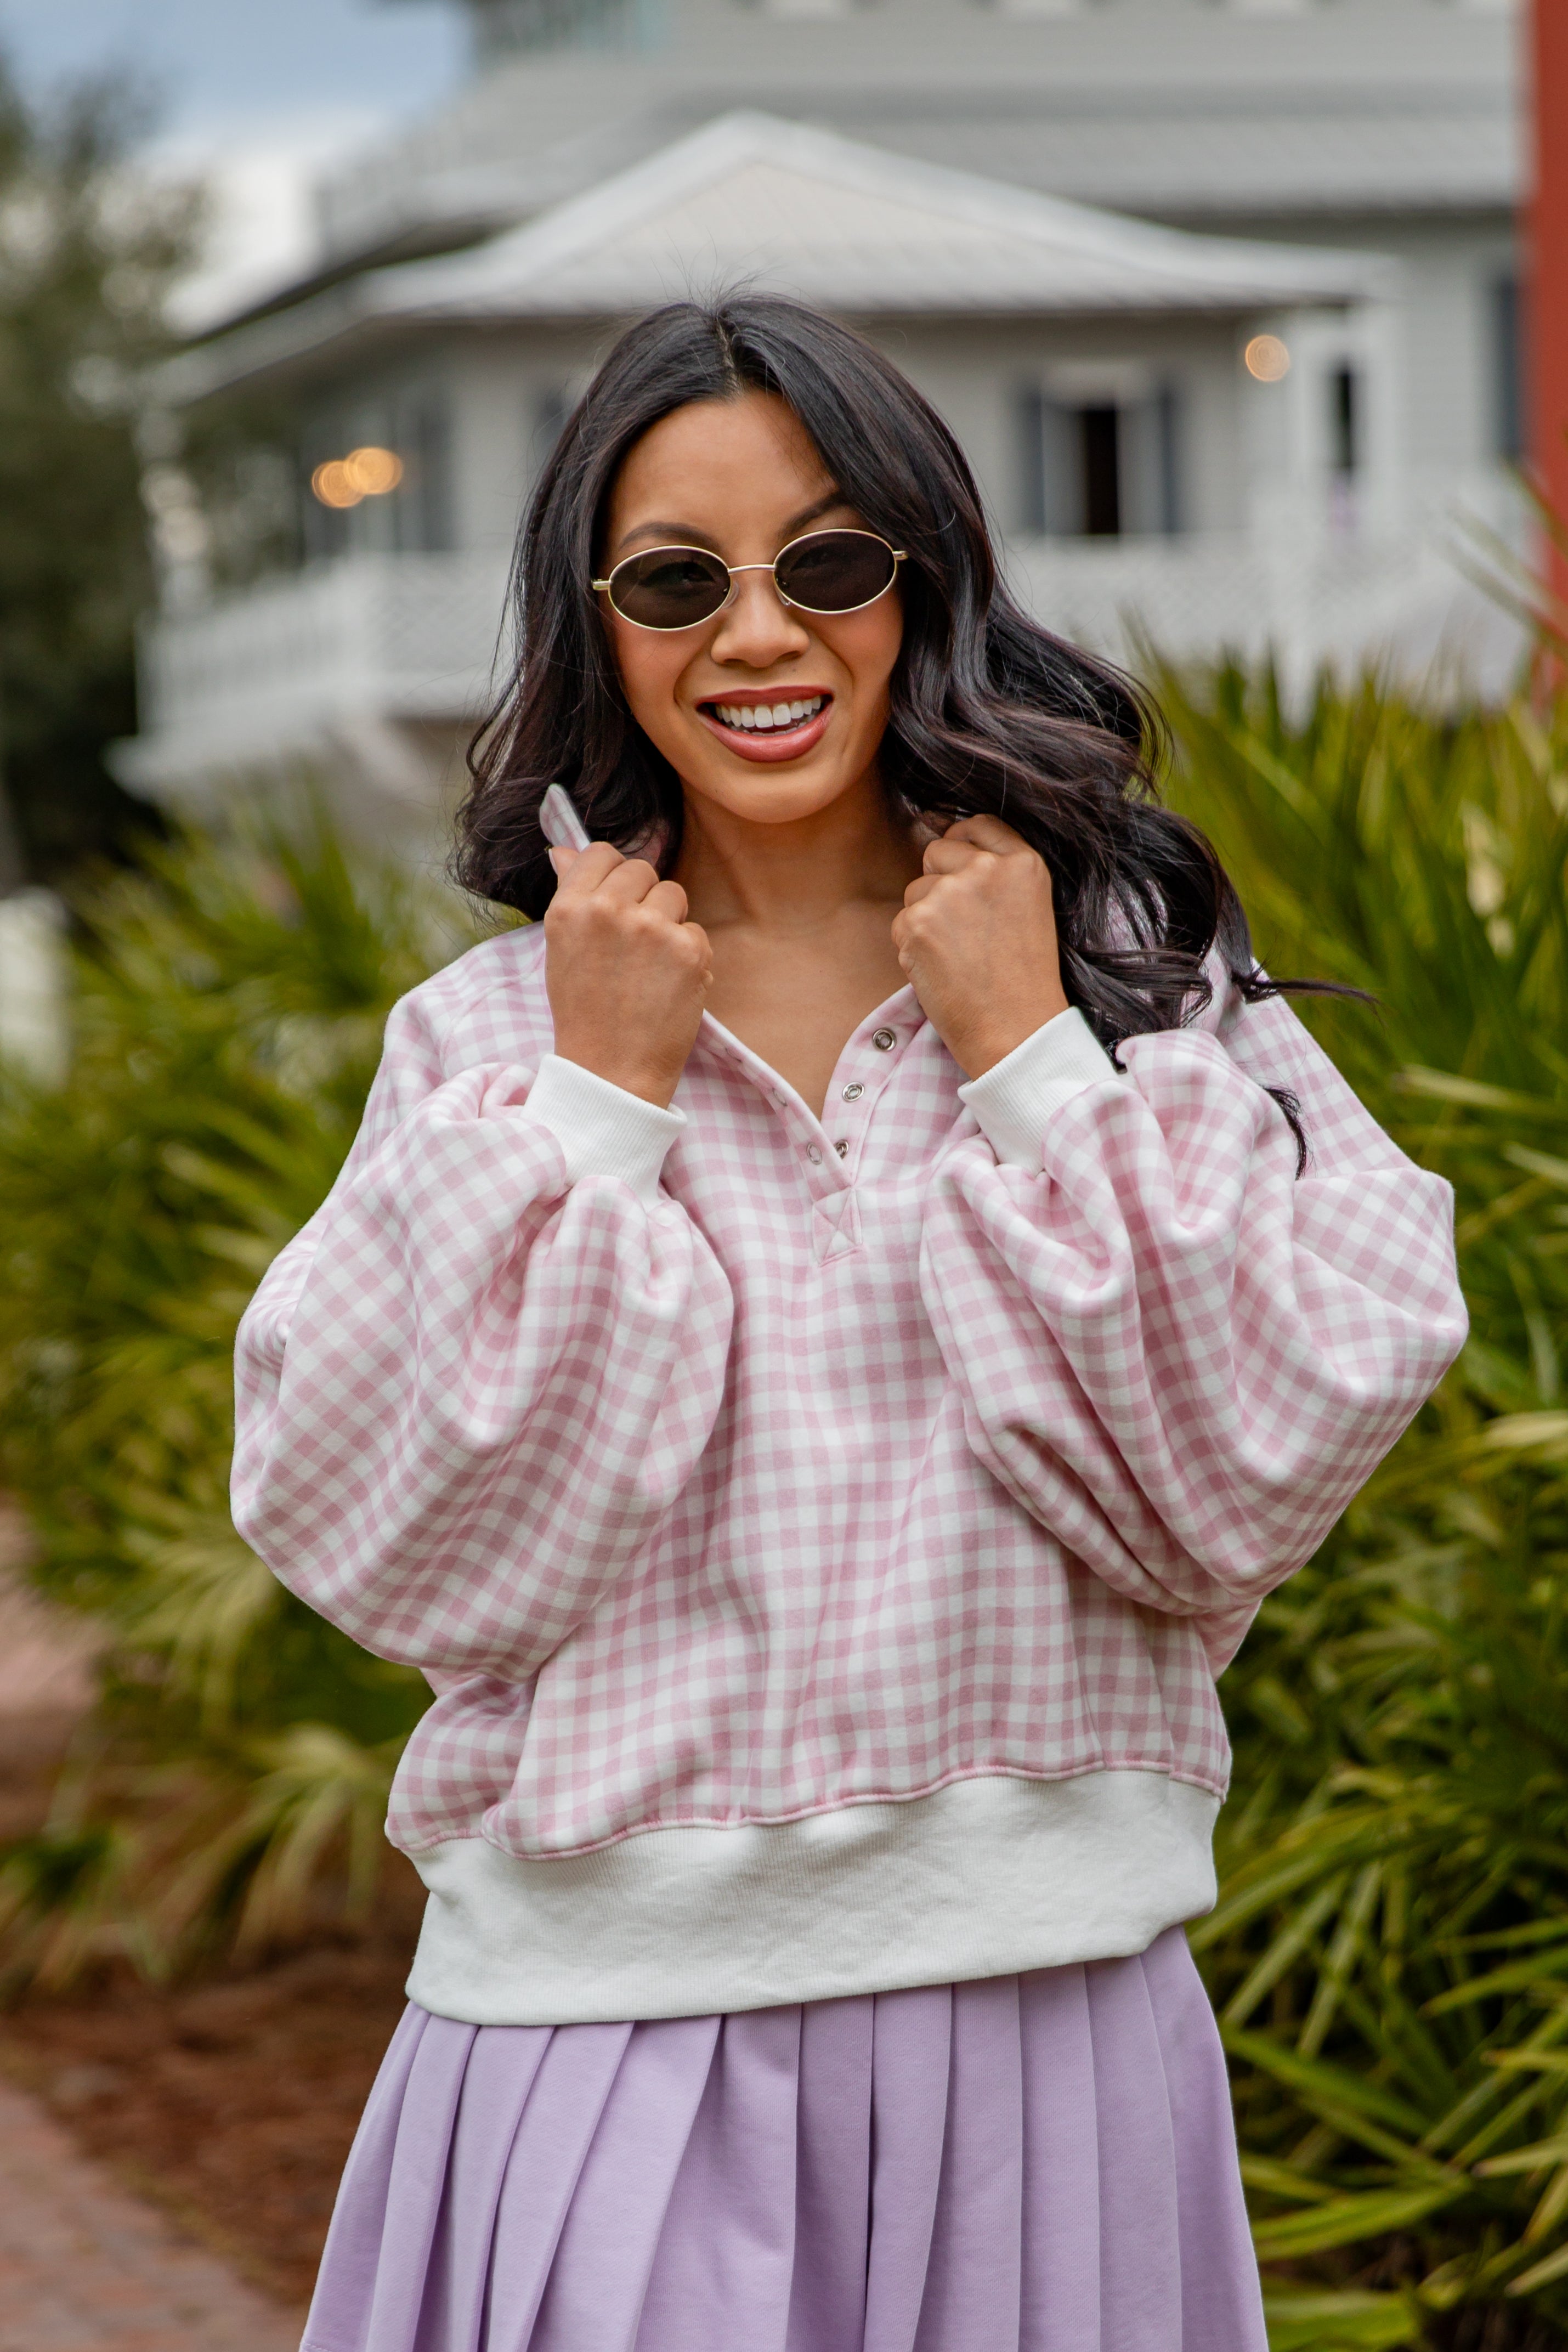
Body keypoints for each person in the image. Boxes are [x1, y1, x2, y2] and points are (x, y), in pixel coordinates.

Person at [232, 295, 1467, 2352]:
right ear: (592, 619)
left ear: (921, 579)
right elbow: (388, 1548)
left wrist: (1028, 1052)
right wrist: (600, 1102)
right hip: (590, 2043)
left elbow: (1249, 1465)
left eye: (825, 561)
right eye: (673, 578)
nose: (758, 634)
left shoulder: (1135, 981)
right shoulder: (480, 1045)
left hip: (1048, 2036)